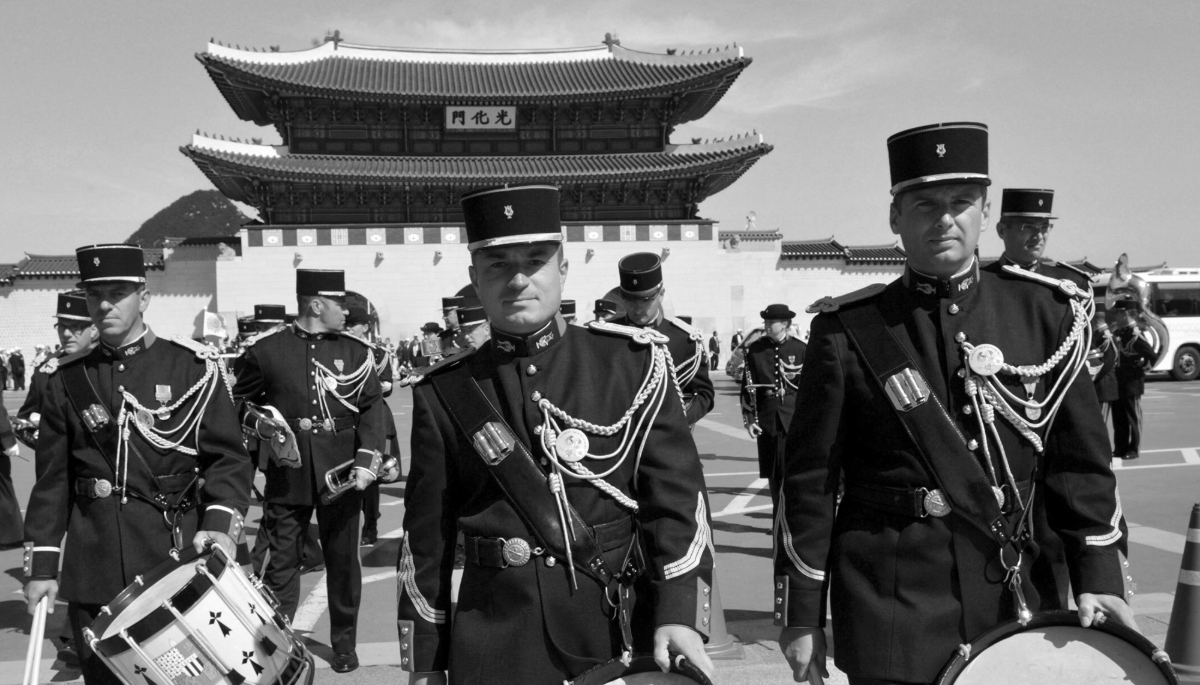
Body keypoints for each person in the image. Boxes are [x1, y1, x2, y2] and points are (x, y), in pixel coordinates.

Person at [775, 122, 1133, 685]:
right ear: (895, 217)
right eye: (924, 205)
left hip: (1014, 592)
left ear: (985, 213)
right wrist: (801, 615)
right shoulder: (845, 331)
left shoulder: (1046, 314)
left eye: (961, 202)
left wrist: (1100, 576)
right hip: (890, 607)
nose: (945, 219)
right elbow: (810, 483)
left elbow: (1079, 466)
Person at [398, 185, 714, 685]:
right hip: (494, 643)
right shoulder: (444, 392)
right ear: (475, 279)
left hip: (615, 631)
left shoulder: (632, 363)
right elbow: (425, 542)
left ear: (562, 269)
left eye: (535, 261)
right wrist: (425, 662)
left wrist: (680, 611)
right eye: (497, 265)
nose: (518, 279)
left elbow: (678, 500)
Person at [23, 244, 251, 685]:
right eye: (95, 295)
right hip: (95, 567)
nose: (104, 305)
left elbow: (228, 459)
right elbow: (52, 481)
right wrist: (43, 568)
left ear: (143, 298)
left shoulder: (191, 367)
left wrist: (220, 525)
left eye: (117, 294)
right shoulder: (64, 379)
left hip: (173, 559)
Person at [232, 269, 389, 674]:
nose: (347, 313)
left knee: (343, 564)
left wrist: (367, 459)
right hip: (289, 472)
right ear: (316, 305)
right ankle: (281, 646)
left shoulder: (356, 352)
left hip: (343, 473)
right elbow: (237, 403)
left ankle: (344, 644)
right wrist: (262, 425)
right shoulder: (266, 351)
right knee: (282, 565)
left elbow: (372, 407)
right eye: (341, 305)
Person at [239, 304, 324, 574]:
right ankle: (307, 555)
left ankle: (258, 563)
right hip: (260, 436)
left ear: (279, 326)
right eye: (258, 328)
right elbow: (242, 398)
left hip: (287, 440)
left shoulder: (293, 352)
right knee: (277, 505)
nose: (259, 333)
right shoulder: (256, 352)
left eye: (265, 328)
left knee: (278, 506)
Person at [612, 252, 715, 425]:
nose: (638, 308)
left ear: (661, 294)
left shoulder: (684, 340)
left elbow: (703, 395)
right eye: (630, 300)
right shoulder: (607, 335)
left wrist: (676, 422)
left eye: (645, 300)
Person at [344, 297, 401, 547]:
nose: (348, 328)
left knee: (372, 474)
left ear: (365, 327)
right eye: (346, 324)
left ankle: (370, 526)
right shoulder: (337, 350)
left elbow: (386, 387)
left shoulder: (378, 353)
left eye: (353, 325)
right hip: (345, 419)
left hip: (373, 417)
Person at [740, 304, 806, 507]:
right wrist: (749, 419)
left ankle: (792, 516)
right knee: (773, 473)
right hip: (767, 417)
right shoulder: (755, 349)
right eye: (766, 322)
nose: (767, 326)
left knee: (794, 471)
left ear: (785, 324)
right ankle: (778, 515)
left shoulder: (800, 348)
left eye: (771, 322)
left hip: (793, 417)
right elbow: (747, 388)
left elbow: (810, 387)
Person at [1109, 300, 1156, 460]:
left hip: (1132, 382)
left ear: (1125, 314)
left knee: (1133, 417)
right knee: (1119, 417)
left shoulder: (1136, 334)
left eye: (1118, 313)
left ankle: (1134, 448)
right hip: (1119, 380)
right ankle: (1120, 447)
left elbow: (1152, 356)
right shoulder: (1119, 332)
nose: (1115, 316)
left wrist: (1142, 369)